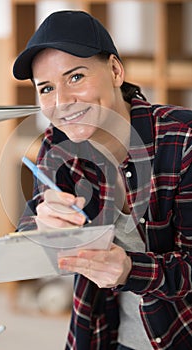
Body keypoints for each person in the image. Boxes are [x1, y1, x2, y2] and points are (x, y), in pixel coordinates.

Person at [13, 10, 192, 350]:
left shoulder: (184, 140)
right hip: (103, 333)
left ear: (114, 70)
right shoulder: (57, 144)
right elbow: (28, 235)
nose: (62, 101)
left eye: (76, 77)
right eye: (47, 88)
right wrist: (44, 226)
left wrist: (129, 270)